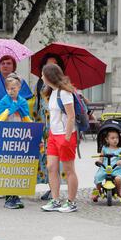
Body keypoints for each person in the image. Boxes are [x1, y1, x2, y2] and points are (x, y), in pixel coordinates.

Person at [41, 63, 79, 213]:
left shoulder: (64, 93)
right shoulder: (52, 91)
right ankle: (55, 199)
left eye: (43, 74)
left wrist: (67, 138)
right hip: (53, 134)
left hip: (65, 135)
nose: (41, 77)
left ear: (50, 76)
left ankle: (71, 201)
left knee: (69, 170)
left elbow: (71, 116)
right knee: (51, 167)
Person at [0, 74, 32, 209]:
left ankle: (16, 194)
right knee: (8, 166)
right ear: (6, 89)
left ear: (19, 88)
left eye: (14, 88)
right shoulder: (4, 101)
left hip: (19, 136)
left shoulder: (23, 102)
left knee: (18, 166)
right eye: (9, 89)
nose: (11, 91)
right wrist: (9, 110)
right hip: (7, 136)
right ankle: (8, 196)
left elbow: (27, 117)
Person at [33, 53, 66, 200]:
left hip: (59, 127)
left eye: (55, 64)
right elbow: (35, 104)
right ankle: (52, 188)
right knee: (47, 159)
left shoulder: (63, 86)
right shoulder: (40, 84)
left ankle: (56, 191)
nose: (51, 68)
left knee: (59, 160)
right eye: (48, 65)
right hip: (43, 126)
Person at [92, 130, 121, 200]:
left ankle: (119, 190)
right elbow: (101, 159)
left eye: (117, 138)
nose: (115, 140)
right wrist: (98, 162)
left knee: (118, 179)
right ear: (107, 140)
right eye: (112, 138)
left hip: (116, 169)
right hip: (105, 169)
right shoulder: (104, 149)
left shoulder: (120, 150)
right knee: (97, 177)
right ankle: (98, 191)